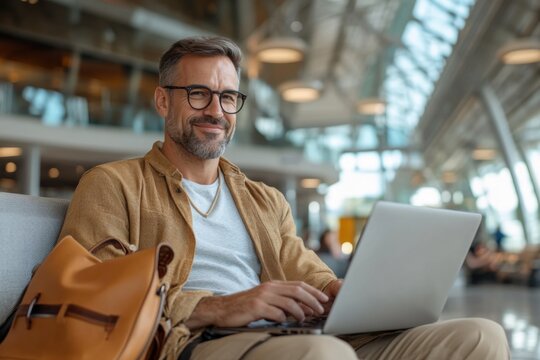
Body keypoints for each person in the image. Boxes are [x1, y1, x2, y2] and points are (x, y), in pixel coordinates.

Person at [59, 36, 509, 360]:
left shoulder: (264, 200)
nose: (215, 111)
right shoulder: (114, 184)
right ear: (162, 101)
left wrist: (339, 293)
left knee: (481, 337)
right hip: (194, 341)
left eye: (228, 97)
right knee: (323, 355)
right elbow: (95, 295)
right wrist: (220, 306)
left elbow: (301, 264)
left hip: (292, 335)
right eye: (198, 95)